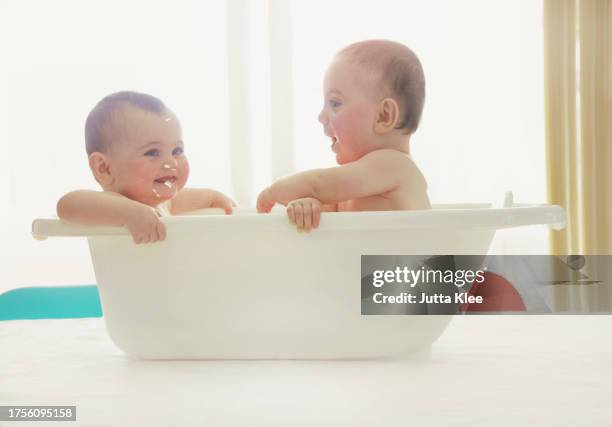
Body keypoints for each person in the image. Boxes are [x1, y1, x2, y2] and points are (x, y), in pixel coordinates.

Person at [256, 40, 430, 232]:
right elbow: (324, 207)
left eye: (335, 103)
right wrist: (310, 206)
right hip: (370, 262)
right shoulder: (353, 184)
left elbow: (319, 185)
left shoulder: (396, 166)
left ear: (384, 116)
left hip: (410, 263)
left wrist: (274, 191)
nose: (321, 117)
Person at [57, 91, 234, 244]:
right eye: (152, 152)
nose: (171, 162)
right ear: (105, 168)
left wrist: (216, 198)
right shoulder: (112, 205)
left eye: (177, 150)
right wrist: (129, 213)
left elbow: (206, 197)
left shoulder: (166, 204)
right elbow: (66, 205)